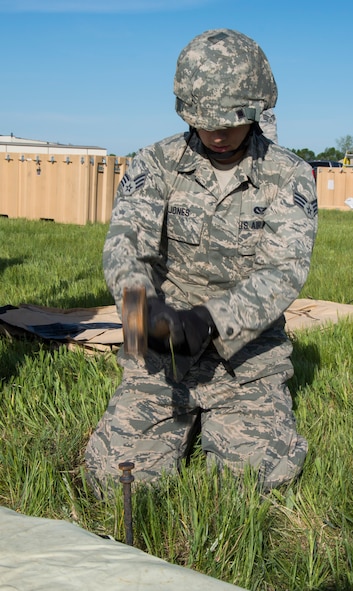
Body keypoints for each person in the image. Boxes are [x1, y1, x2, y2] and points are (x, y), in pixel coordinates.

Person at [85, 28, 318, 494]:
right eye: (204, 120)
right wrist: (142, 315)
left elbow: (283, 270)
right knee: (119, 480)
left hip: (245, 358)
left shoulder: (287, 175)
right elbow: (125, 246)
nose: (216, 133)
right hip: (161, 350)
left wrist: (212, 320)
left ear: (257, 110)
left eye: (230, 121)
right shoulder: (155, 164)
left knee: (251, 481)